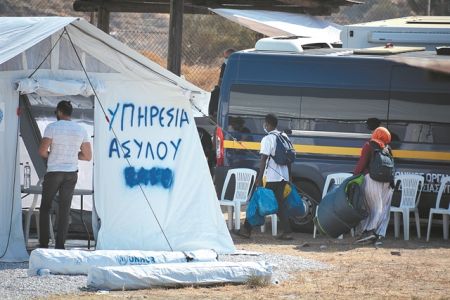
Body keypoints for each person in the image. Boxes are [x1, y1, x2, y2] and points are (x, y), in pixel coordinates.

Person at [38, 100, 92, 249]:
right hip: (71, 174)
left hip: (54, 172)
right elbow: (88, 156)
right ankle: (60, 246)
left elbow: (42, 151)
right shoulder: (81, 130)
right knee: (64, 209)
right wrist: (72, 156)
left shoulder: (52, 127)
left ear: (59, 112)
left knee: (45, 207)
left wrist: (55, 155)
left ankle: (43, 245)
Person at [236, 114, 293, 240]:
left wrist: (259, 178)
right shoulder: (284, 136)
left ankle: (247, 230)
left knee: (257, 200)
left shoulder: (268, 139)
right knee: (279, 203)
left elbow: (263, 159)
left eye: (265, 124)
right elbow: (289, 159)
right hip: (283, 176)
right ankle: (287, 231)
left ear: (267, 124)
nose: (264, 126)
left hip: (271, 177)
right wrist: (289, 177)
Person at [354, 127, 394, 245]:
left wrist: (354, 175)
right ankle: (377, 233)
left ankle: (368, 231)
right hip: (388, 183)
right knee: (382, 208)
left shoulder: (369, 145)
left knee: (371, 206)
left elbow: (362, 163)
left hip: (372, 179)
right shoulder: (387, 148)